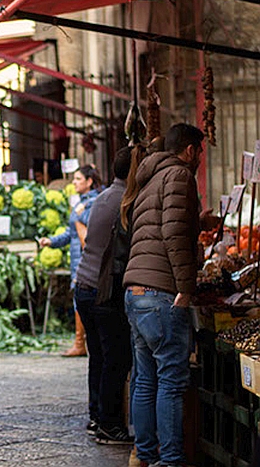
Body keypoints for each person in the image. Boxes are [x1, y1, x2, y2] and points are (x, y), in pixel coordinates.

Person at [123, 123, 204, 467]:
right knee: (171, 381)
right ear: (189, 150)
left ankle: (143, 456)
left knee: (145, 380)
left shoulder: (149, 179)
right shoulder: (180, 176)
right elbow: (172, 234)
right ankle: (170, 461)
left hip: (136, 292)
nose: (200, 158)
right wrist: (185, 288)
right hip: (161, 294)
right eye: (200, 151)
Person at [72, 147, 133, 444]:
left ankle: (97, 416)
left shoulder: (105, 196)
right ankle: (109, 424)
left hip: (83, 285)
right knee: (115, 359)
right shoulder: (125, 200)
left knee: (98, 356)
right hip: (101, 289)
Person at [38, 164, 102, 357]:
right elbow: (70, 233)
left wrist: (83, 212)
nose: (73, 182)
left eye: (78, 179)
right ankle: (80, 342)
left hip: (86, 261)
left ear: (89, 182)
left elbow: (93, 231)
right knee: (78, 301)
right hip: (77, 260)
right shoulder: (81, 202)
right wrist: (51, 242)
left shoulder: (94, 202)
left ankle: (83, 344)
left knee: (85, 302)